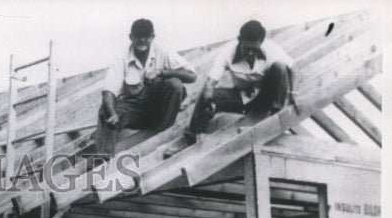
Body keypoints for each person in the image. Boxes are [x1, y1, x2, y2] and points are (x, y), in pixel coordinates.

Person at [166, 19, 293, 156]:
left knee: (280, 67)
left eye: (254, 49)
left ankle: (275, 117)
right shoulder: (228, 51)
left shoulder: (271, 48)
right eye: (247, 49)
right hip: (242, 98)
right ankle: (191, 137)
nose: (250, 53)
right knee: (208, 95)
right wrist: (208, 100)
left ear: (261, 42)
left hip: (265, 97)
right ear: (240, 40)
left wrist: (294, 93)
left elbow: (293, 68)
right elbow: (210, 83)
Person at [94, 18, 196, 160]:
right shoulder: (121, 57)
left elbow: (192, 76)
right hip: (136, 113)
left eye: (146, 36)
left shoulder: (162, 51)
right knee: (106, 109)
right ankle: (103, 159)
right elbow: (108, 92)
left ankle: (164, 135)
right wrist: (112, 114)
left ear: (152, 37)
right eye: (138, 36)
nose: (142, 40)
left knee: (175, 85)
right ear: (131, 37)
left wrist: (162, 72)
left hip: (160, 112)